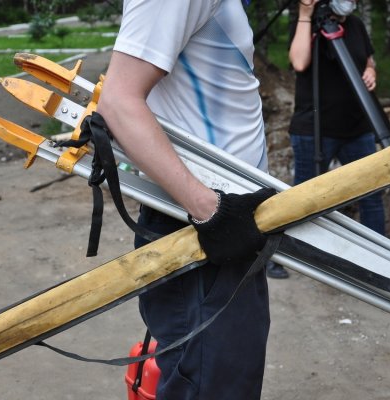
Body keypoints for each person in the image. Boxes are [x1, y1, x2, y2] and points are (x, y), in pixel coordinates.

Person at [96, 1, 274, 399]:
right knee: (213, 385)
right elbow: (118, 102)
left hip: (227, 229)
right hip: (204, 233)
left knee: (226, 380)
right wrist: (211, 213)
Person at [288, 0, 385, 236]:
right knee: (302, 200)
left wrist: (371, 70)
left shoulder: (356, 24)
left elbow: (368, 59)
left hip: (357, 127)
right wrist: (305, 14)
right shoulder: (307, 24)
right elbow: (299, 62)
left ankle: (378, 259)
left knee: (372, 197)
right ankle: (284, 257)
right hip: (314, 129)